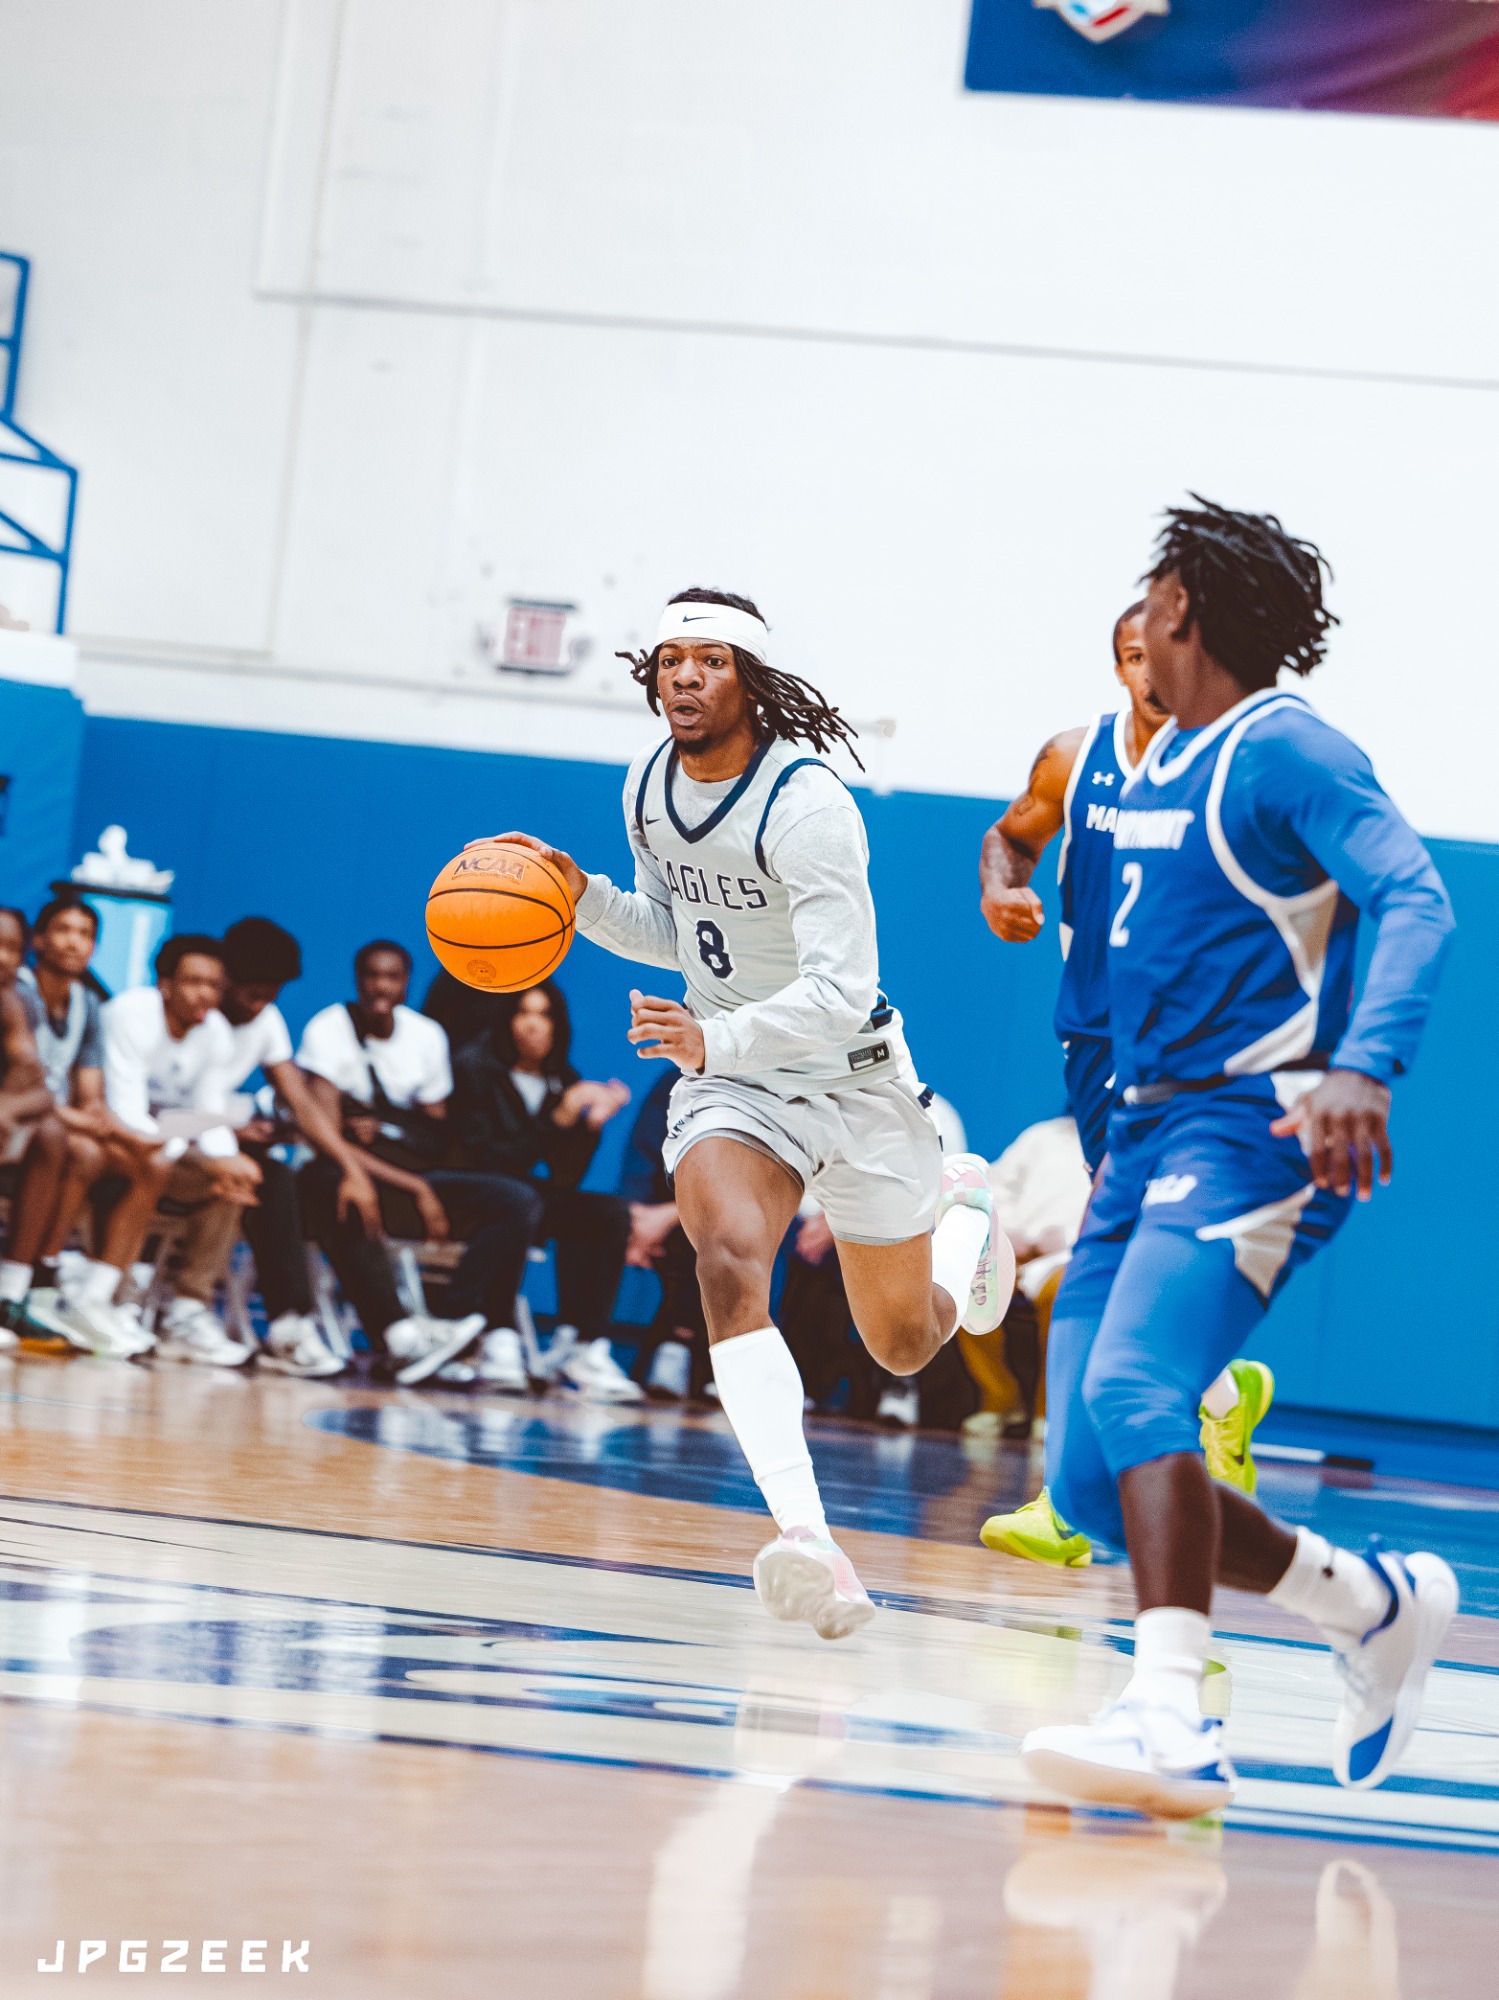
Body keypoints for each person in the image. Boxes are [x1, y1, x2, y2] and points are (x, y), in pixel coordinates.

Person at [1018, 497, 1458, 1817]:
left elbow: (1414, 894)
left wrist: (1362, 1065)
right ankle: (1366, 1605)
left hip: (1253, 1126)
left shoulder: (1283, 751)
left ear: (1178, 611)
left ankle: (1167, 1715)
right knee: (1087, 1479)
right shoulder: (1151, 760)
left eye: (1149, 593)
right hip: (1141, 1131)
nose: (1139, 614)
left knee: (1138, 1387)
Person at [480, 586, 1012, 1641]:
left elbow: (841, 989)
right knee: (724, 1256)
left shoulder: (806, 807)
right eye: (669, 658)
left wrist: (708, 1038)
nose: (684, 674)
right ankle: (810, 1539)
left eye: (710, 659)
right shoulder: (646, 784)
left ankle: (962, 1222)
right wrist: (579, 897)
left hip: (851, 1077)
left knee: (904, 1344)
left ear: (750, 681)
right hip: (737, 1085)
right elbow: (675, 932)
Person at [978, 603, 1272, 1565]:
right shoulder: (1075, 758)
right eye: (1135, 657)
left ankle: (1070, 1500)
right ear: (1117, 666)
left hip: (1194, 1044)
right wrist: (1002, 889)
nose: (1153, 673)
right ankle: (1223, 1397)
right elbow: (1010, 836)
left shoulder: (1229, 766)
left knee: (1114, 1251)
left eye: (1169, 655)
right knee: (1125, 1251)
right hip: (1096, 1038)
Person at [296, 940, 532, 1386]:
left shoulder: (427, 1036)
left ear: (407, 983)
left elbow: (434, 1131)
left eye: (392, 976)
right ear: (358, 980)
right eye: (372, 975)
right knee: (339, 1189)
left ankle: (450, 1320)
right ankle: (399, 1336)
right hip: (344, 1170)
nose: (381, 986)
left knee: (516, 1199)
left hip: (405, 1172)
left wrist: (392, 1137)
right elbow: (326, 1139)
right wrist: (413, 1185)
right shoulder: (329, 1029)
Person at [219, 915, 404, 1378]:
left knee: (284, 1177)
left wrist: (351, 1168)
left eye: (271, 994)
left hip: (219, 1140)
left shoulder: (266, 1020)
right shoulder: (196, 1014)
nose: (261, 1005)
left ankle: (291, 1326)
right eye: (252, 994)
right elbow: (151, 1110)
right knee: (261, 1175)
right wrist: (229, 1129)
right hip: (168, 1140)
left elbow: (302, 1103)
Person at [448, 980, 635, 1398]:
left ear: (558, 1026)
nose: (533, 1025)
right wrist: (560, 1118)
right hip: (474, 1193)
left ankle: (581, 1343)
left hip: (527, 1196)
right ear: (506, 1020)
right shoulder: (475, 1069)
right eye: (523, 1012)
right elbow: (489, 1160)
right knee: (519, 1200)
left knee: (607, 1214)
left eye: (544, 1015)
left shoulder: (560, 1079)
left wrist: (590, 1127)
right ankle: (498, 1333)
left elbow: (564, 1179)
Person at [84, 935, 263, 1366]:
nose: (205, 994)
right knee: (180, 1167)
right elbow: (127, 1114)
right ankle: (113, 1295)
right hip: (110, 1144)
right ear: (164, 985)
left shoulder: (215, 1031)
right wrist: (204, 1157)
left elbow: (209, 1111)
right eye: (193, 982)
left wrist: (226, 1162)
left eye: (213, 985)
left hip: (161, 1151)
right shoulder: (130, 1014)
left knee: (228, 1184)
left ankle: (187, 1311)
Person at [9, 895, 170, 1351]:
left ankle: (95, 1295)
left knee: (152, 1164)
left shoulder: (89, 1004)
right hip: (26, 1118)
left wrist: (117, 1129)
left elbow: (91, 1096)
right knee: (84, 1151)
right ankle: (38, 1282)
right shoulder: (18, 993)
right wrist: (99, 1125)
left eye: (84, 934)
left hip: (62, 1120)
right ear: (38, 941)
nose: (73, 942)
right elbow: (28, 1086)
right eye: (63, 930)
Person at [616, 1068, 708, 1401]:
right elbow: (644, 1149)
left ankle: (677, 1344)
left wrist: (671, 1215)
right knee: (608, 1221)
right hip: (659, 1208)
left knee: (715, 1237)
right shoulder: (679, 1079)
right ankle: (582, 1342)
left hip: (722, 1214)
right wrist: (637, 1217)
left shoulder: (770, 1086)